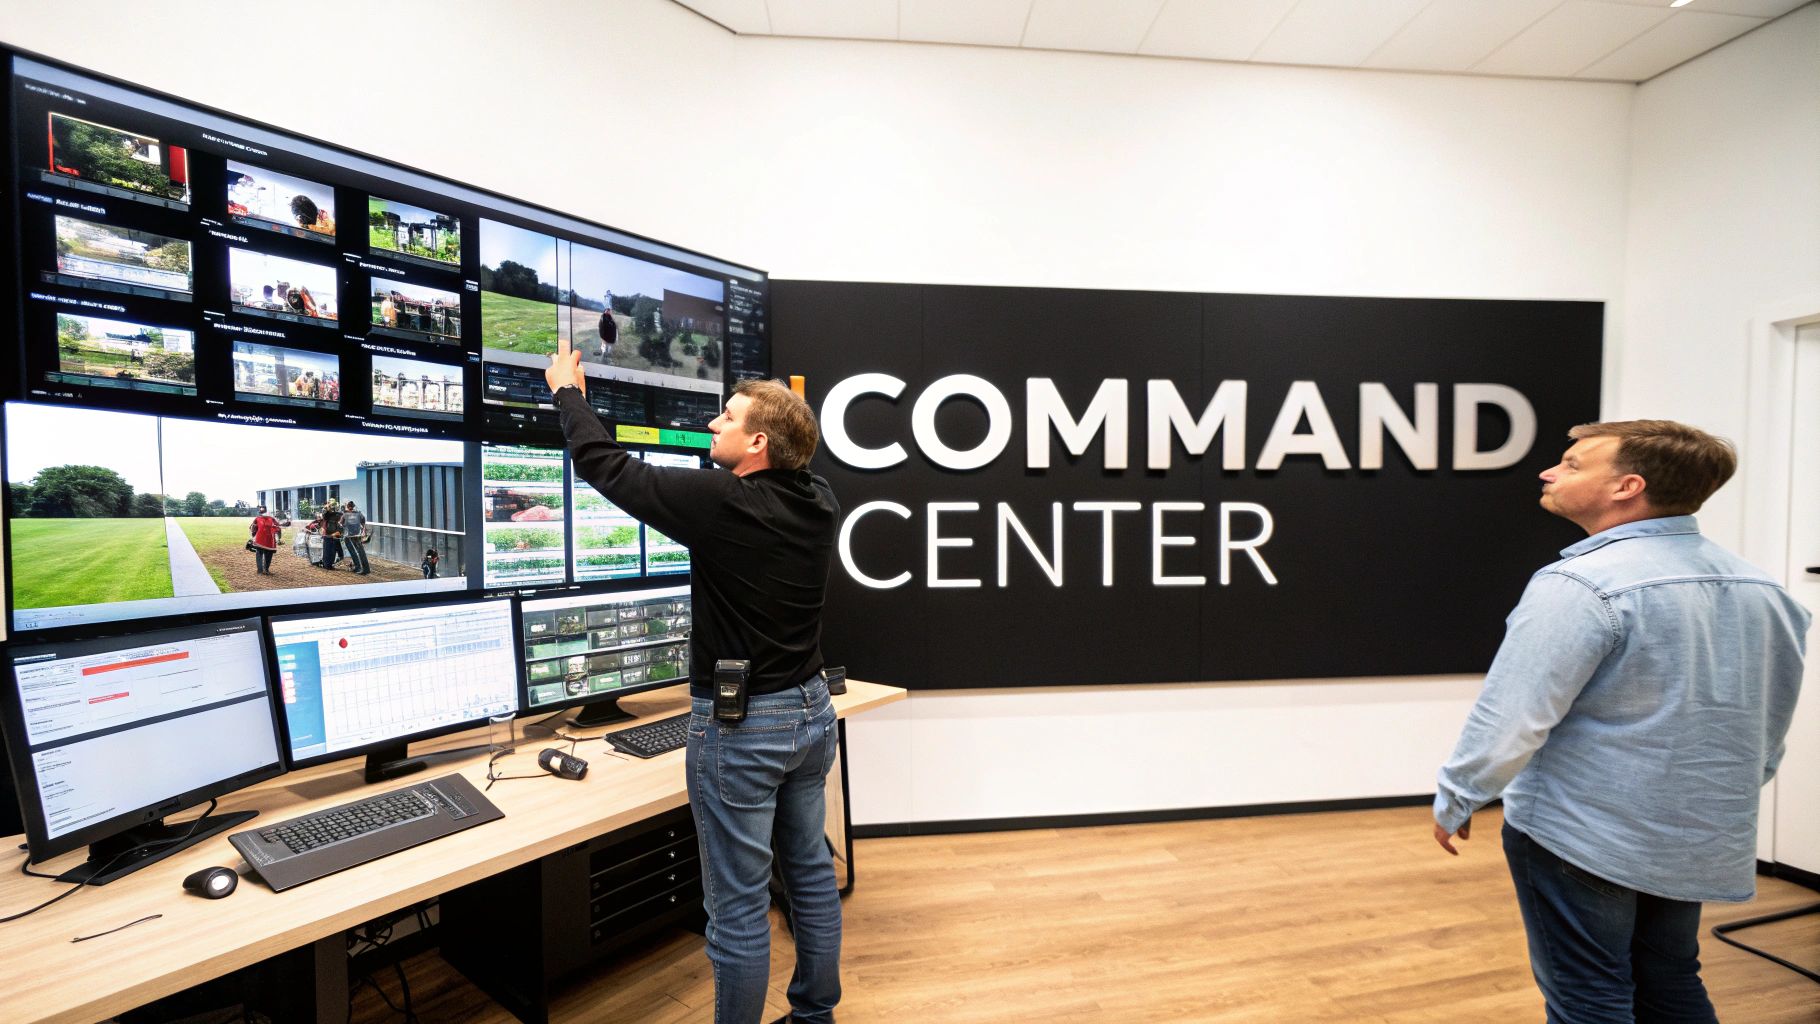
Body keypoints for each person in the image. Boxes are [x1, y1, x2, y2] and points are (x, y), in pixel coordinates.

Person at [1433, 419, 1809, 1022]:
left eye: (1575, 465)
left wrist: (1460, 794)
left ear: (1627, 487)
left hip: (1580, 834)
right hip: (1694, 832)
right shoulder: (1765, 589)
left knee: (1589, 996)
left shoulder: (1579, 585)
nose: (1550, 471)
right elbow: (1768, 724)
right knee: (1671, 980)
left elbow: (1514, 716)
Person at [546, 339, 842, 1024]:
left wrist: (569, 392)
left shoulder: (724, 504)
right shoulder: (818, 498)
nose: (712, 424)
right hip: (810, 714)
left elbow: (606, 466)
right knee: (808, 876)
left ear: (757, 442)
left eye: (727, 417)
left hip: (746, 728)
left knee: (737, 908)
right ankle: (814, 1016)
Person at [248, 505, 281, 576]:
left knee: (259, 554)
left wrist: (253, 537)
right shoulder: (272, 518)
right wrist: (279, 539)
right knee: (268, 555)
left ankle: (260, 571)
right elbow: (278, 528)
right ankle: (265, 570)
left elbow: (252, 529)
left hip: (260, 540)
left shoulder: (258, 518)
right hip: (269, 541)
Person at [341, 500, 370, 575]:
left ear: (347, 506)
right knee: (360, 552)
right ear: (353, 506)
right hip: (357, 535)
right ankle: (364, 568)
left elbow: (341, 523)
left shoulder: (345, 514)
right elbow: (363, 521)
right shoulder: (358, 513)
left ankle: (360, 568)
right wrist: (363, 530)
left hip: (348, 536)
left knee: (354, 552)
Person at [318, 499, 343, 570]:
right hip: (327, 534)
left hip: (335, 534)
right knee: (327, 550)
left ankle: (330, 564)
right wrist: (327, 508)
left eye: (334, 506)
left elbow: (340, 518)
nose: (333, 508)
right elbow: (324, 514)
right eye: (332, 506)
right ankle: (326, 565)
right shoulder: (326, 513)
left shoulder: (337, 514)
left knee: (333, 550)